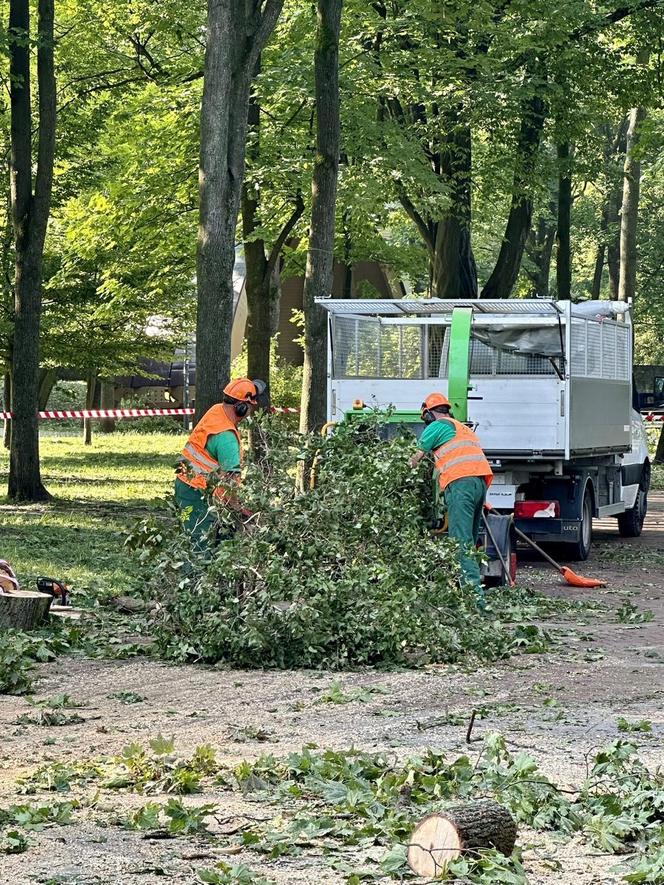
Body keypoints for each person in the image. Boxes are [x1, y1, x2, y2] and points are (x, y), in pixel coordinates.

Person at [409, 392, 493, 598]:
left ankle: (474, 601)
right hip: (479, 484)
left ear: (428, 414)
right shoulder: (461, 427)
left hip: (460, 484)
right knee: (470, 543)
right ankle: (469, 593)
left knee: (461, 543)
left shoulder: (435, 427)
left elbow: (414, 459)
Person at [175, 378, 265, 550]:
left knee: (208, 536)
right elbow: (230, 482)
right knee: (199, 544)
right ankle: (197, 576)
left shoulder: (217, 411)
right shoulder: (226, 439)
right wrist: (238, 508)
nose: (251, 410)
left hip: (185, 484)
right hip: (198, 494)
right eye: (251, 405)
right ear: (242, 407)